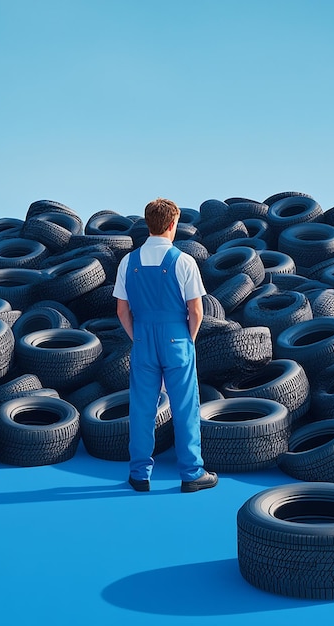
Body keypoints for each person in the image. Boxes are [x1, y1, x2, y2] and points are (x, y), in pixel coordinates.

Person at [112, 198, 218, 493]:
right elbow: (196, 311)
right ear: (173, 225)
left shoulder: (127, 262)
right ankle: (191, 474)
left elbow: (122, 311)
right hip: (177, 338)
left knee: (142, 408)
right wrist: (188, 340)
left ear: (149, 224)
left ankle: (140, 475)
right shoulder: (184, 261)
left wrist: (139, 338)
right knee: (184, 406)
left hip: (143, 337)